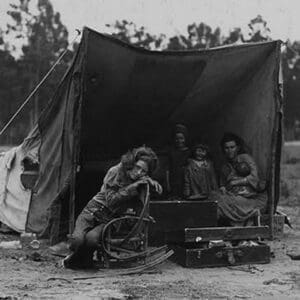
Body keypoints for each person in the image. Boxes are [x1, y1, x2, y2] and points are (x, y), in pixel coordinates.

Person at [63, 146, 162, 269]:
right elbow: (111, 200)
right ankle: (75, 259)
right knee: (77, 240)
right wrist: (132, 188)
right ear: (131, 163)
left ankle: (84, 260)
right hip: (92, 211)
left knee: (92, 239)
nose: (138, 173)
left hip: (108, 218)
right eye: (137, 167)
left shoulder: (140, 178)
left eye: (143, 171)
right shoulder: (115, 171)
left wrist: (153, 183)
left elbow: (149, 188)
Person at [215, 132, 267, 225]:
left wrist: (235, 183)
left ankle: (250, 214)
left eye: (232, 147)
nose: (229, 150)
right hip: (236, 195)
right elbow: (222, 184)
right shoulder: (224, 167)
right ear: (223, 149)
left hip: (253, 198)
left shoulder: (245, 158)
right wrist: (223, 188)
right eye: (226, 148)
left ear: (237, 148)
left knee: (226, 203)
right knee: (216, 199)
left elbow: (254, 177)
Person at [167, 124, 191, 197]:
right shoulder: (171, 152)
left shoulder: (189, 152)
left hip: (186, 180)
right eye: (177, 138)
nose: (179, 141)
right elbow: (167, 169)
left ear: (185, 139)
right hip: (174, 179)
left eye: (181, 138)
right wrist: (168, 184)